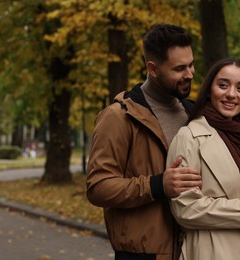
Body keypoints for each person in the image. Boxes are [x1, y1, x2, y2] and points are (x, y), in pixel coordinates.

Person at [86, 24, 202, 260]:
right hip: (143, 255)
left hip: (194, 251)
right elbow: (98, 187)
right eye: (179, 68)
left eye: (191, 64)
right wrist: (157, 185)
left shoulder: (195, 114)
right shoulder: (118, 117)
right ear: (153, 69)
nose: (189, 74)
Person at [167, 57, 240, 260]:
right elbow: (185, 209)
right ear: (209, 89)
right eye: (223, 85)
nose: (231, 94)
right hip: (211, 252)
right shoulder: (189, 137)